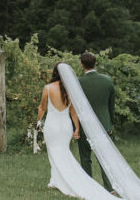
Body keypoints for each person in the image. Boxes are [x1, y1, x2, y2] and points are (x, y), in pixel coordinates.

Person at [36, 63, 118, 200]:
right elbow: (73, 112)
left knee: (54, 152)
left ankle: (64, 180)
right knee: (63, 151)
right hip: (66, 126)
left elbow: (42, 107)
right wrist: (77, 128)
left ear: (54, 73)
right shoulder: (70, 90)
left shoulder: (48, 88)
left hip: (52, 125)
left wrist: (38, 121)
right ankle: (55, 180)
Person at [76, 52, 116, 195]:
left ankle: (89, 187)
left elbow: (75, 107)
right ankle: (109, 188)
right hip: (104, 125)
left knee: (85, 158)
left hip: (85, 126)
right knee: (105, 159)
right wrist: (111, 124)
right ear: (95, 63)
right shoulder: (108, 80)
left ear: (82, 64)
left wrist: (75, 127)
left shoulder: (78, 83)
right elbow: (111, 105)